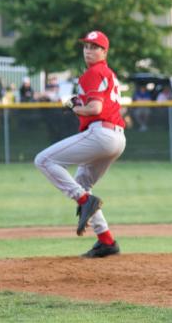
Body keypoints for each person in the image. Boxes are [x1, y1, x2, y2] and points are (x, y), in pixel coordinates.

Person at [35, 30, 126, 258]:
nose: (88, 51)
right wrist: (78, 102)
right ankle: (106, 241)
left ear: (104, 51)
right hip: (118, 138)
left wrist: (73, 108)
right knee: (82, 181)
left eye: (94, 47)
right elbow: (97, 103)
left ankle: (85, 201)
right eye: (86, 46)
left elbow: (94, 109)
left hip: (101, 135)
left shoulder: (93, 73)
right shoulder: (108, 73)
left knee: (44, 160)